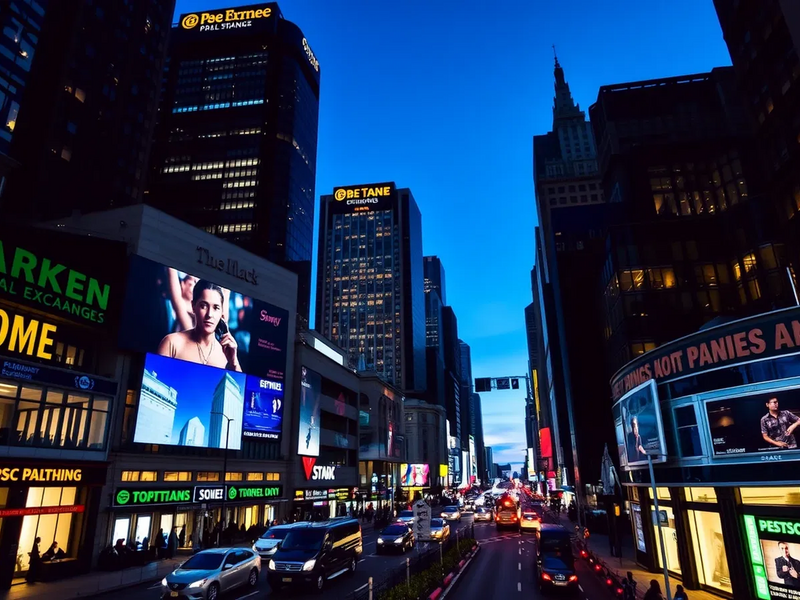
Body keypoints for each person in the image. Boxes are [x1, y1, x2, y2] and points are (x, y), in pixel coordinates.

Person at [157, 280, 241, 371]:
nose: (209, 314)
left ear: (221, 312)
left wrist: (234, 363)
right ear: (193, 306)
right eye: (203, 306)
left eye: (216, 308)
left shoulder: (226, 354)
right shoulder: (172, 343)